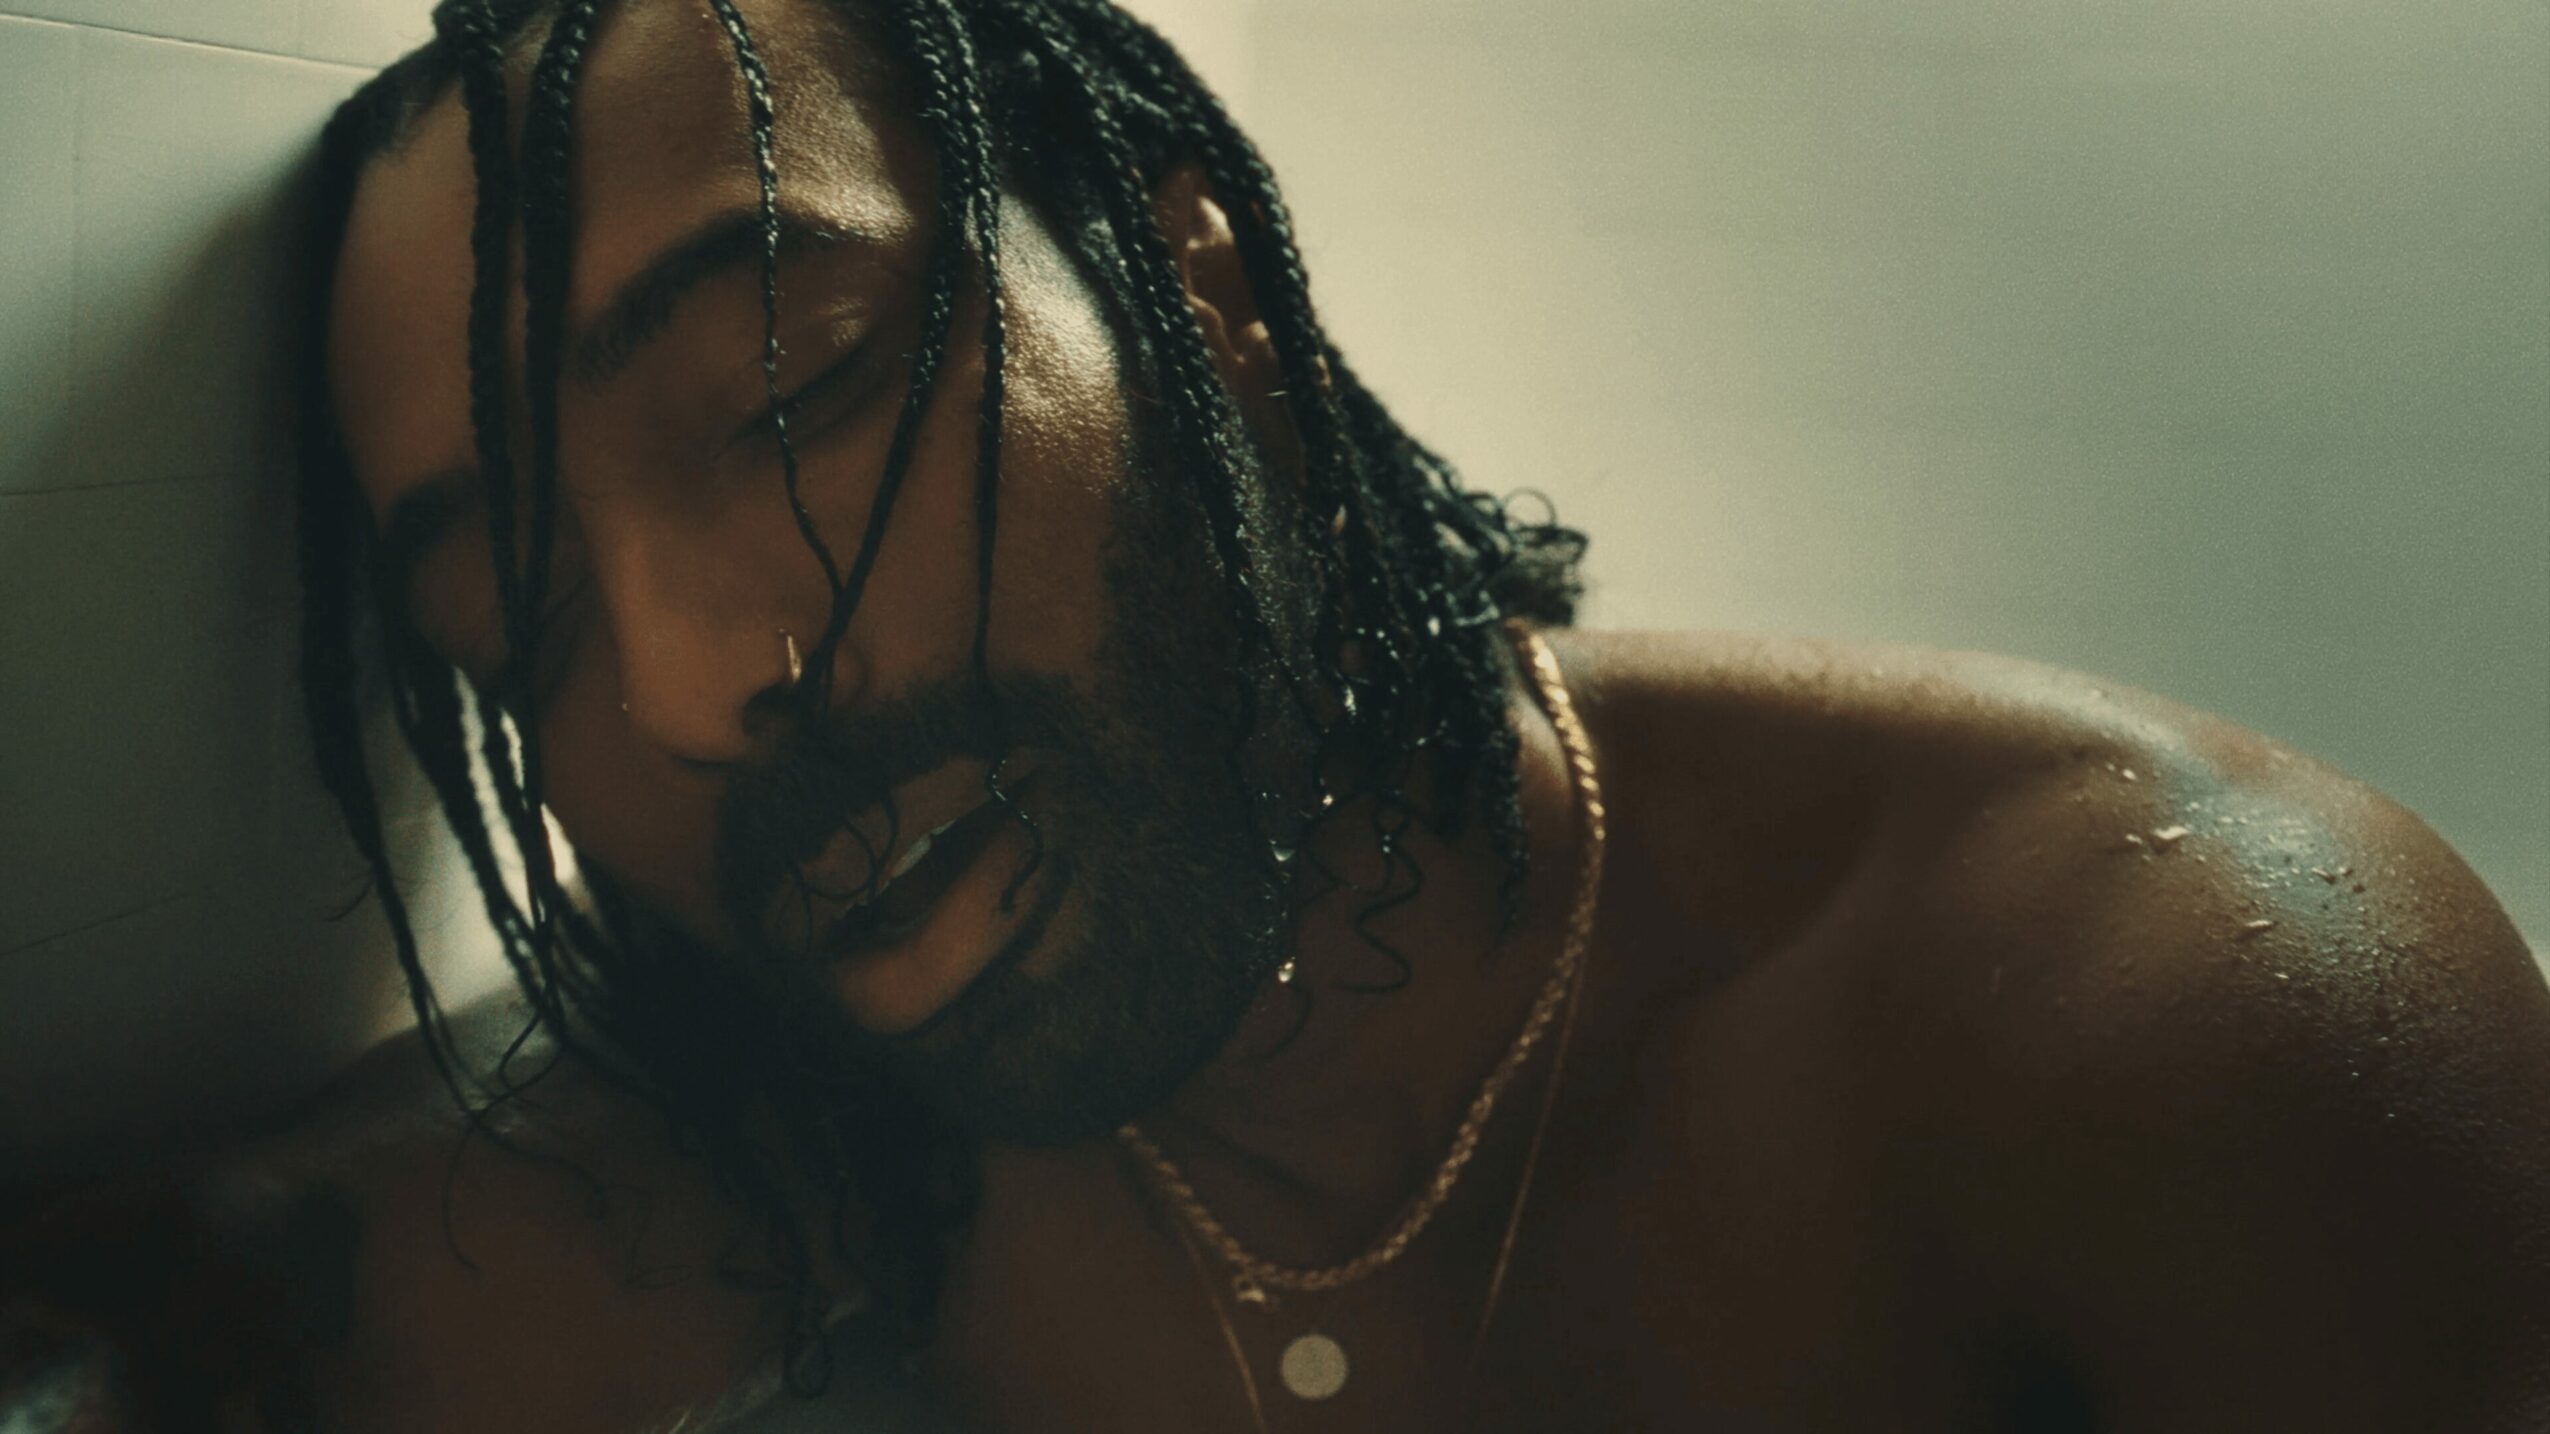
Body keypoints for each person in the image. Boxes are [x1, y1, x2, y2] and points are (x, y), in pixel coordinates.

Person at [7, 0, 2546, 1429]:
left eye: (791, 387)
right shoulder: (790, 1154)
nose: (689, 682)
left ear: (1192, 279)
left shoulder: (2163, 1028)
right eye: (521, 615)